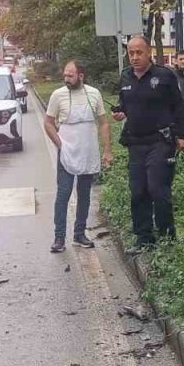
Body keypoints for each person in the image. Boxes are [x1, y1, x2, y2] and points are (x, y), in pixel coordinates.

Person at [113, 36, 184, 253]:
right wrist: (120, 112)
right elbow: (124, 103)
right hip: (135, 142)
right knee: (138, 191)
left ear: (149, 53)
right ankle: (144, 238)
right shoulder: (125, 76)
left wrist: (183, 135)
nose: (135, 57)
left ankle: (167, 239)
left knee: (158, 190)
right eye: (131, 53)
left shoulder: (164, 76)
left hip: (160, 141)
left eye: (139, 52)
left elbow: (179, 106)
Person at [45, 60, 112, 253]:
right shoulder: (58, 95)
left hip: (88, 150)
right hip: (67, 150)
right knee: (63, 193)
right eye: (65, 75)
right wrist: (60, 144)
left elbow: (103, 123)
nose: (66, 78)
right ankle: (59, 237)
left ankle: (79, 234)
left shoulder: (94, 94)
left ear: (81, 76)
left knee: (84, 194)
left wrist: (107, 150)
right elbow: (48, 123)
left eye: (70, 75)